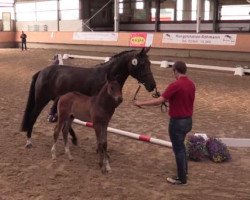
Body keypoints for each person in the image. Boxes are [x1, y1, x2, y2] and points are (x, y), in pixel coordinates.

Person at [133, 61, 195, 185]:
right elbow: (177, 98)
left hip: (177, 122)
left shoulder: (175, 85)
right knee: (181, 147)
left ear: (176, 71)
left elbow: (159, 101)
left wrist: (141, 103)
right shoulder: (191, 84)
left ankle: (181, 178)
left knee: (178, 149)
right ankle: (184, 172)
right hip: (188, 121)